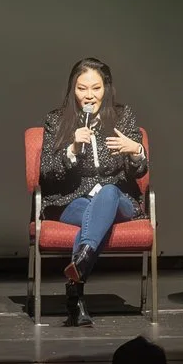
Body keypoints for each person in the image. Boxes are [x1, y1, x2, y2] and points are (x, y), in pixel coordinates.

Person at [39, 57, 149, 328]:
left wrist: (136, 151)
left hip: (119, 200)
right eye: (82, 88)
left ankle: (81, 262)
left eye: (96, 88)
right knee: (92, 215)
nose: (89, 95)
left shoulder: (123, 117)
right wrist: (72, 149)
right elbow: (47, 173)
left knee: (109, 192)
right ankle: (76, 295)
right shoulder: (56, 120)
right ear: (72, 90)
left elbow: (138, 173)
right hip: (72, 201)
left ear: (107, 89)